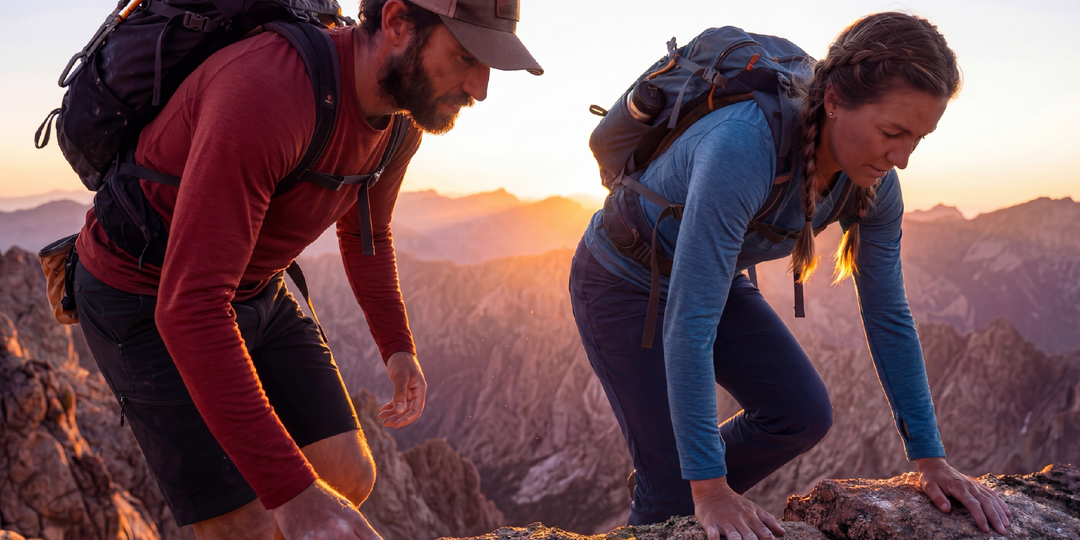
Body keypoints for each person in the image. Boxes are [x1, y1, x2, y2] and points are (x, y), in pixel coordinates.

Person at [71, 1, 542, 539]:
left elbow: (368, 233)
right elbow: (190, 308)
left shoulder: (398, 122)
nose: (479, 88)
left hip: (253, 282)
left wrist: (397, 348)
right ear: (396, 23)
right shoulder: (267, 92)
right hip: (142, 290)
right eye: (465, 57)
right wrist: (292, 496)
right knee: (245, 525)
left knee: (347, 475)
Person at [569, 12, 1010, 540]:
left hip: (716, 276)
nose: (902, 158)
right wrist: (708, 487)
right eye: (891, 132)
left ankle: (666, 470)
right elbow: (690, 322)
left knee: (800, 413)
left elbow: (889, 314)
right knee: (674, 486)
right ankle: (666, 480)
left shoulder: (874, 186)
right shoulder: (742, 148)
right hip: (620, 279)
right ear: (833, 102)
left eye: (918, 138)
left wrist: (931, 459)